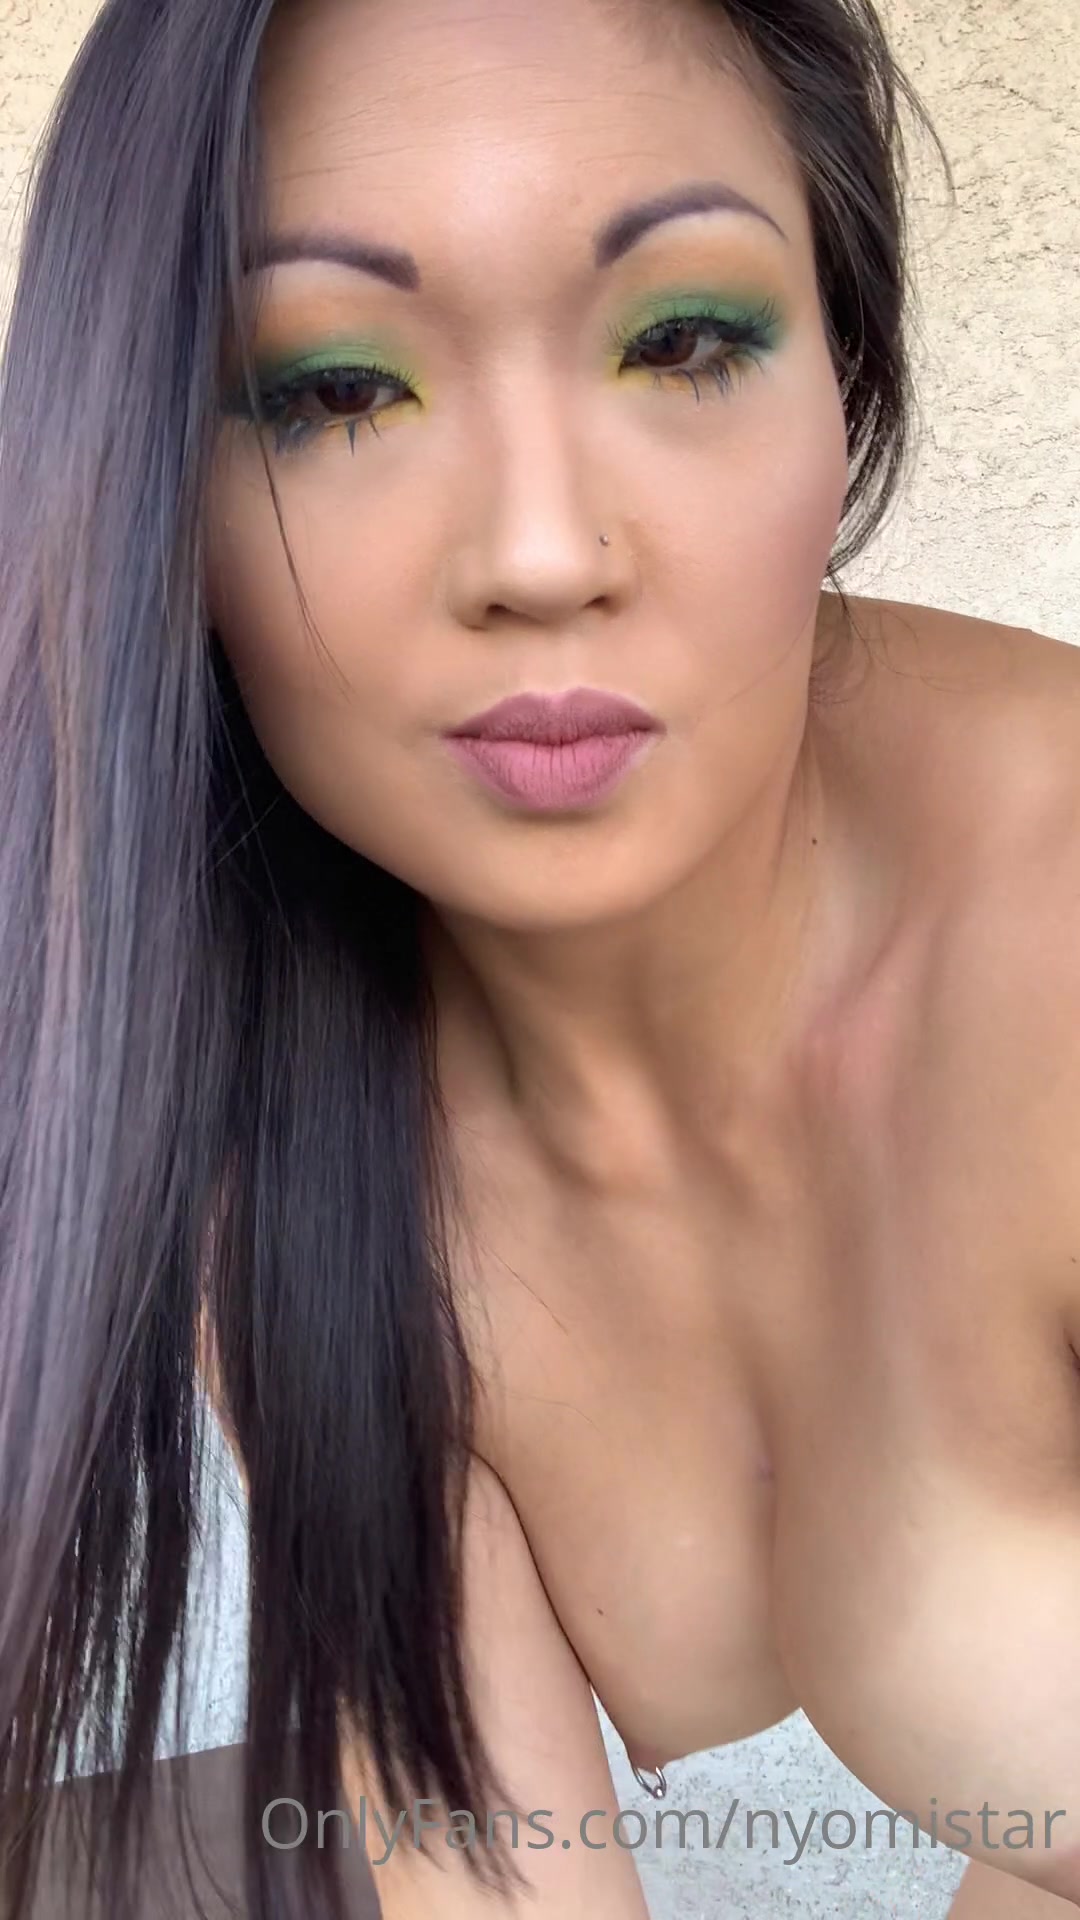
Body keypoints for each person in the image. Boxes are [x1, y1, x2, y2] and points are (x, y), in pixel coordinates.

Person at [1, 0, 1078, 1916]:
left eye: (681, 340)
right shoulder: (283, 1128)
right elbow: (483, 1869)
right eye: (335, 386)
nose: (540, 548)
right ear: (156, 497)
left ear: (847, 384)